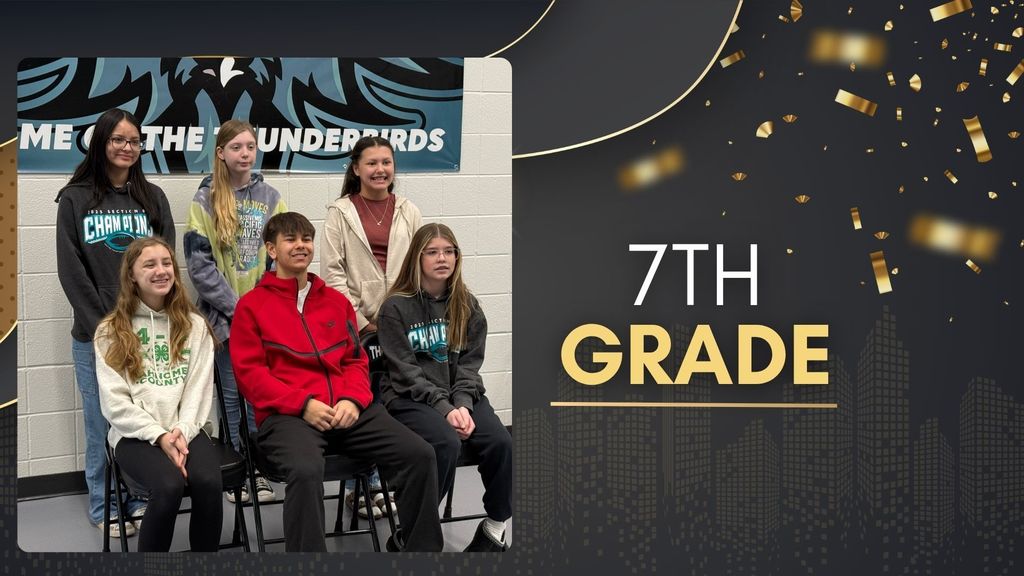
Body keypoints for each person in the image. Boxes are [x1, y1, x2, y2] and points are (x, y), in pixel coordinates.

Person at [230, 212, 443, 552]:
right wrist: (303, 405)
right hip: (288, 416)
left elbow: (356, 361)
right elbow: (251, 376)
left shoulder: (335, 302)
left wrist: (352, 400)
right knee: (304, 469)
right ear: (271, 249)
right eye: (290, 239)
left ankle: (421, 553)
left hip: (347, 408)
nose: (301, 246)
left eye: (306, 239)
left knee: (419, 453)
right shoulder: (251, 307)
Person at [55, 108, 174, 537]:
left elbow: (164, 264)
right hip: (95, 337)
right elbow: (71, 271)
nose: (127, 148)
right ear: (101, 142)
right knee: (100, 423)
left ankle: (140, 496)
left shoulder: (152, 197)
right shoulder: (75, 199)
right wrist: (106, 330)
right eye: (118, 139)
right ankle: (104, 503)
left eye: (134, 141)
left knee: (141, 418)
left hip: (145, 332)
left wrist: (146, 320)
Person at [378, 223, 513, 552]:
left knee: (501, 442)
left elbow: (470, 363)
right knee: (445, 442)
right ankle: (416, 535)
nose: (443, 258)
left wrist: (463, 404)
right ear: (417, 258)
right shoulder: (395, 307)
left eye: (449, 251)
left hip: (459, 394)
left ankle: (495, 529)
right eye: (433, 252)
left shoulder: (467, 304)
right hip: (411, 396)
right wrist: (446, 409)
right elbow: (405, 371)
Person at [95, 237, 222, 552]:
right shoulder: (110, 331)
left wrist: (181, 431)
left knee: (209, 482)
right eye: (149, 264)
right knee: (168, 486)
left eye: (166, 263)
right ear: (132, 276)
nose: (161, 271)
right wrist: (159, 436)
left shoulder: (195, 326)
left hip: (186, 429)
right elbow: (115, 404)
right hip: (135, 435)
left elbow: (198, 391)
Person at [184, 119, 286, 504]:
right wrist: (240, 309)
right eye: (236, 147)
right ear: (221, 153)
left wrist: (261, 307)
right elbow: (199, 264)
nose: (245, 154)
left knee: (260, 397)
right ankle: (240, 473)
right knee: (231, 397)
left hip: (264, 321)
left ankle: (259, 469)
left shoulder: (272, 197)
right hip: (225, 324)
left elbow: (283, 254)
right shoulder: (205, 199)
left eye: (250, 146)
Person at [321, 135, 421, 518]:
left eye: (387, 162)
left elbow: (418, 267)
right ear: (356, 168)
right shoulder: (340, 212)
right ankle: (365, 486)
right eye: (372, 163)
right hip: (355, 328)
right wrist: (363, 322)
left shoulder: (409, 210)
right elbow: (332, 275)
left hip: (402, 323)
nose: (381, 170)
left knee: (398, 402)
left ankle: (389, 482)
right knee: (366, 401)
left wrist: (396, 317)